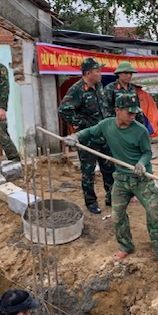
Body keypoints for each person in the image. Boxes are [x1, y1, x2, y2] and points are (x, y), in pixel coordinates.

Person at [65, 94, 158, 270]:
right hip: (121, 179)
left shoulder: (140, 131)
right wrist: (75, 136)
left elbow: (147, 152)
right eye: (129, 113)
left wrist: (141, 163)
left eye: (135, 113)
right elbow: (90, 132)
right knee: (117, 214)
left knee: (154, 214)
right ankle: (125, 246)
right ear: (117, 110)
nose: (132, 116)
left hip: (141, 179)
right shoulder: (106, 125)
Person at [58, 57, 115, 215]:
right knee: (88, 172)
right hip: (87, 138)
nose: (100, 73)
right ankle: (91, 202)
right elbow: (64, 110)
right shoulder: (77, 90)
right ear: (88, 73)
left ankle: (111, 197)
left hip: (104, 136)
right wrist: (81, 123)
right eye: (97, 71)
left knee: (109, 168)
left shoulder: (99, 86)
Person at [104, 61, 150, 130]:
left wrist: (142, 127)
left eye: (130, 73)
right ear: (119, 74)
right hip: (117, 126)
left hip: (132, 125)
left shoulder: (133, 89)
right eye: (126, 73)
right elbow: (106, 110)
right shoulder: (110, 88)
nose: (129, 76)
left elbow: (137, 109)